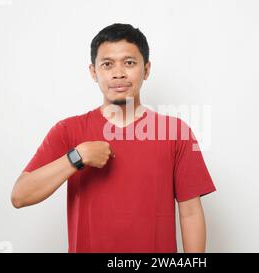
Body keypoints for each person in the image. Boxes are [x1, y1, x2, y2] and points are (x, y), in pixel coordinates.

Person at [11, 23, 216, 253]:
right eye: (107, 64)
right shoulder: (68, 130)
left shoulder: (176, 132)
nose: (118, 73)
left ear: (146, 70)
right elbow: (20, 195)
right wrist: (76, 157)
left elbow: (190, 212)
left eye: (129, 63)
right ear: (93, 72)